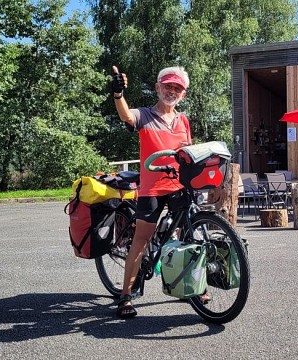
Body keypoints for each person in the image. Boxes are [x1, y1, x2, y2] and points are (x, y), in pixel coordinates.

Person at [111, 65, 192, 319]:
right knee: (142, 239)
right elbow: (126, 116)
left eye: (177, 88)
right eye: (167, 86)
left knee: (187, 237)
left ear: (183, 95)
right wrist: (118, 94)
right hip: (152, 188)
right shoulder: (145, 115)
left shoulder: (183, 120)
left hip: (179, 186)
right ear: (158, 88)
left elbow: (188, 153)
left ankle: (190, 287)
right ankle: (125, 295)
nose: (172, 91)